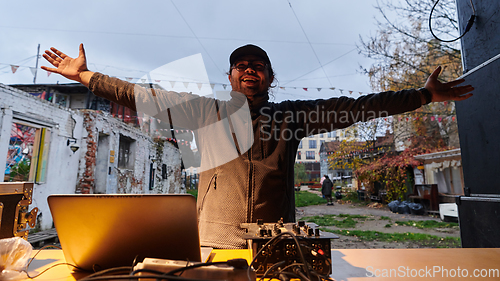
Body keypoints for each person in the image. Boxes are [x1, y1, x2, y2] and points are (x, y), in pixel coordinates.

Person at [42, 43, 473, 249]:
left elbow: (358, 106)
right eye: (241, 66)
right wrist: (86, 77)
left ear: (270, 77)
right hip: (212, 241)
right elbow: (142, 95)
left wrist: (423, 95)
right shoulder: (204, 112)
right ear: (230, 78)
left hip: (276, 243)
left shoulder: (293, 116)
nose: (250, 70)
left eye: (259, 66)